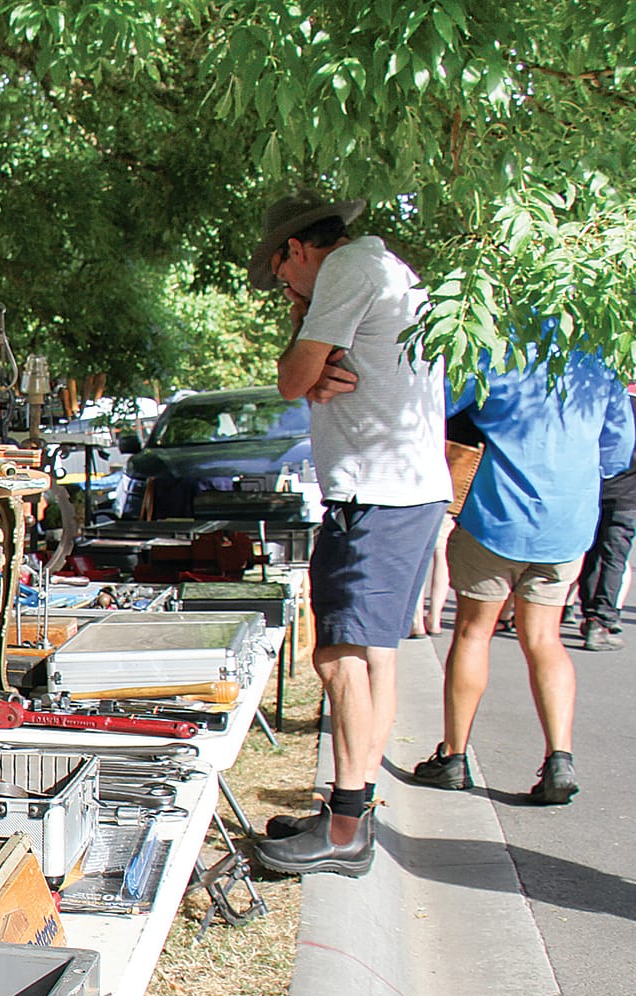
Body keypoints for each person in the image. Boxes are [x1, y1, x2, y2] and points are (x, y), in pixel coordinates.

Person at [246, 189, 451, 878]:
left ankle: (345, 827)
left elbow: (291, 378)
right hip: (403, 491)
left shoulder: (347, 271)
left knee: (339, 659)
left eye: (282, 278)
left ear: (297, 250)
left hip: (377, 493)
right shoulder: (381, 268)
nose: (287, 291)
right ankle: (350, 810)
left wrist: (305, 363)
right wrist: (307, 367)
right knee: (374, 657)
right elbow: (305, 375)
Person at [408, 335, 634, 803]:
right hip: (566, 526)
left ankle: (453, 757)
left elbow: (438, 404)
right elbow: (617, 453)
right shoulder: (600, 358)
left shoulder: (497, 348)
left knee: (472, 633)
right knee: (544, 639)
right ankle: (559, 759)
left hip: (496, 516)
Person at [573, 380, 636, 651]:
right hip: (630, 492)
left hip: (594, 486)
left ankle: (587, 613)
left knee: (590, 553)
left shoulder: (597, 393)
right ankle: (601, 622)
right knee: (613, 557)